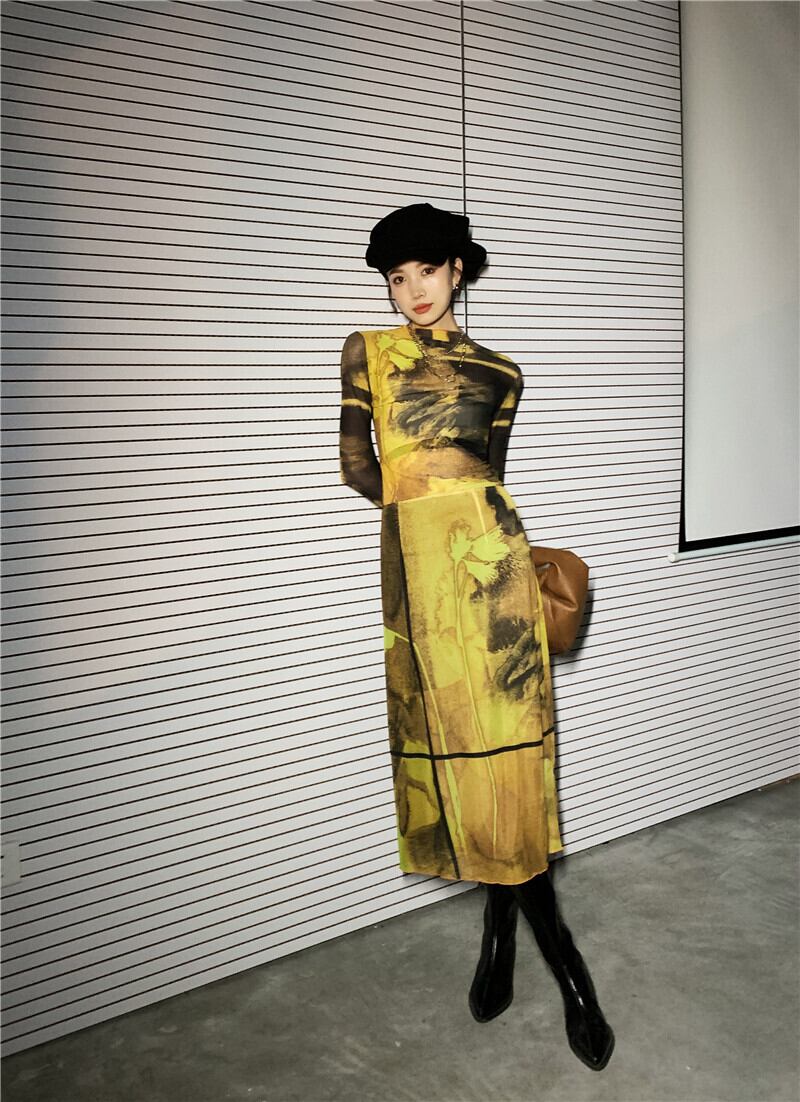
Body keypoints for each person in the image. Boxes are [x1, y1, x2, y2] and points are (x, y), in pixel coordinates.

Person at [338, 202, 614, 1071]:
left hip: (496, 575)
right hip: (421, 578)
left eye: (426, 270)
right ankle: (516, 935)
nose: (411, 290)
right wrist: (424, 517)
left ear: (458, 269)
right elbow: (356, 464)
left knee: (511, 762)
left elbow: (492, 475)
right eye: (397, 277)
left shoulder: (502, 370)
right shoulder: (367, 352)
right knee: (461, 752)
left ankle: (556, 967)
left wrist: (474, 530)